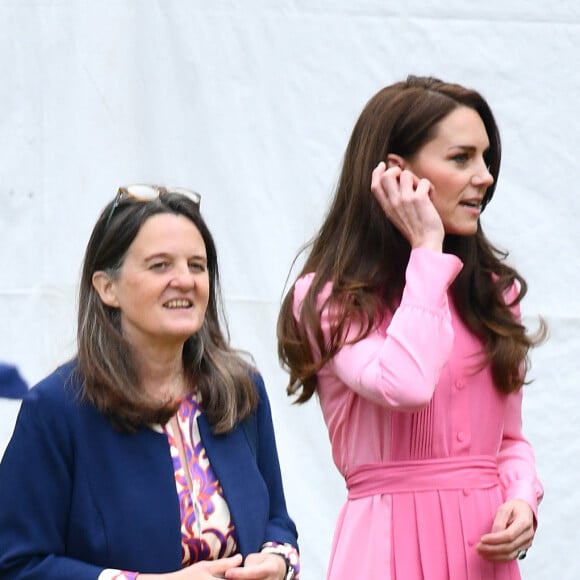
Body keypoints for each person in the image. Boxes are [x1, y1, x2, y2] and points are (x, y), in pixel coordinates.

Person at [277, 75, 545, 579]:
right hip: (386, 551)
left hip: (482, 557)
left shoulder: (491, 293)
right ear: (397, 173)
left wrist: (522, 499)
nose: (485, 177)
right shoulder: (330, 297)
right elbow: (405, 383)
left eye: (487, 159)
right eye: (461, 158)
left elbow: (509, 439)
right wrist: (427, 249)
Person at [0, 185, 299, 580]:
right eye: (160, 265)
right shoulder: (57, 408)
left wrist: (277, 561)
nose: (184, 280)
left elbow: (278, 521)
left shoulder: (240, 390)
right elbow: (16, 564)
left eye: (196, 265)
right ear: (107, 287)